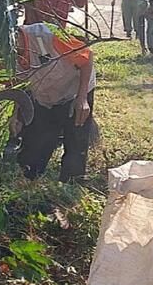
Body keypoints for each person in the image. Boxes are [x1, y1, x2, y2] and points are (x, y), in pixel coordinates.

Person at [9, 23, 97, 182]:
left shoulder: (47, 35)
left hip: (75, 90)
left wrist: (82, 98)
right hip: (45, 96)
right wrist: (16, 115)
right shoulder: (3, 60)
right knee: (35, 148)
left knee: (76, 142)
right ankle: (30, 178)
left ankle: (72, 182)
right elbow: (17, 86)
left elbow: (86, 57)